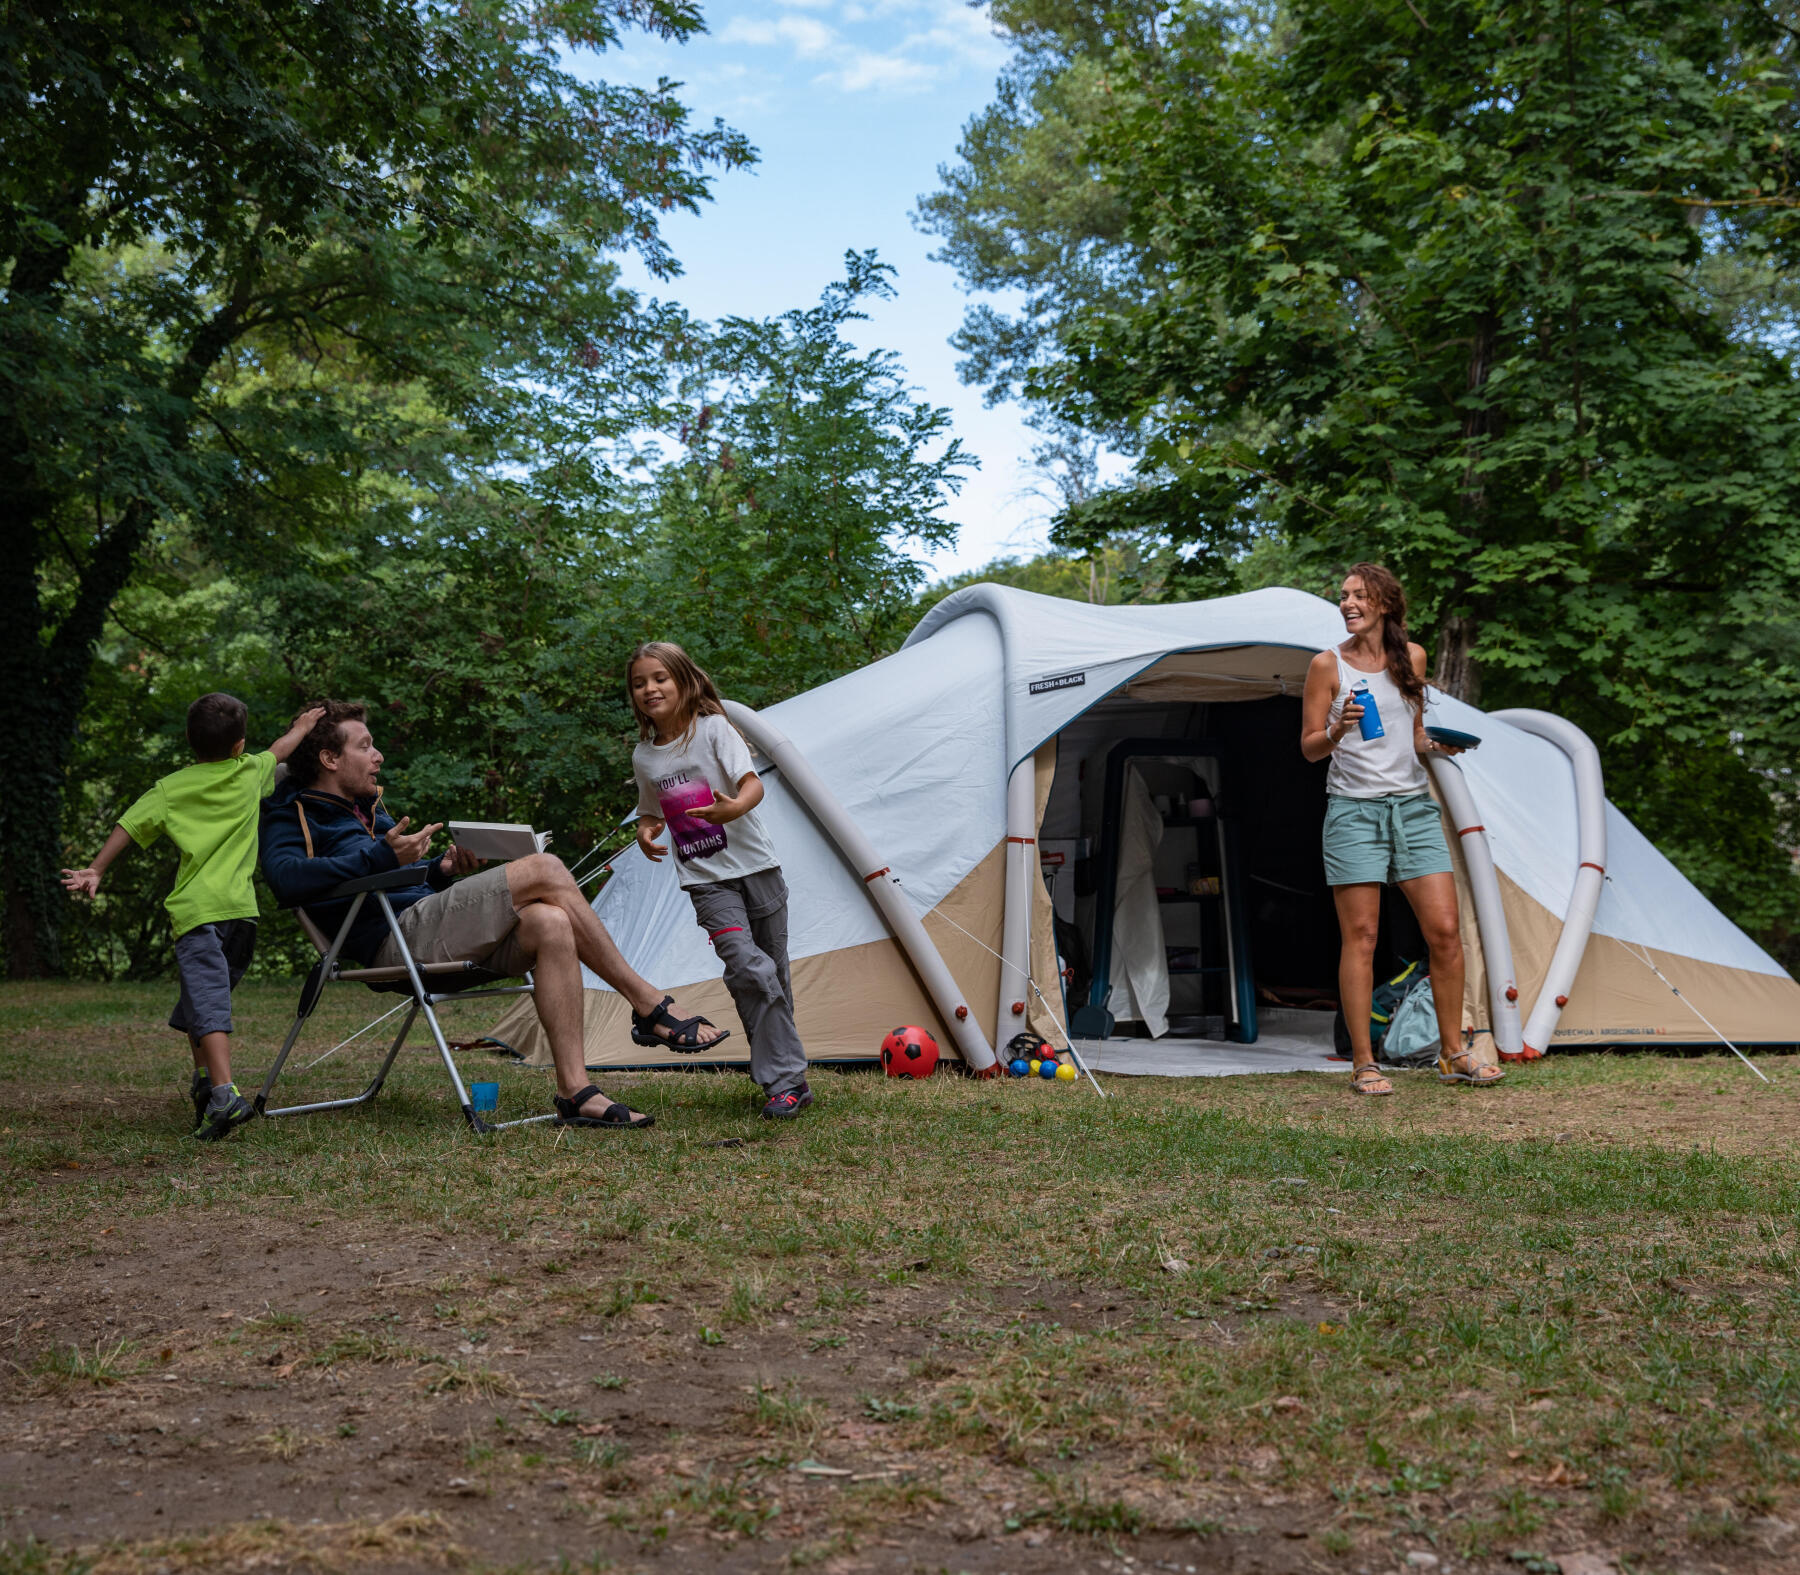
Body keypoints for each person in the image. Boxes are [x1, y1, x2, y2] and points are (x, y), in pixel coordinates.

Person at [259, 701, 730, 1130]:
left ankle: (576, 1092)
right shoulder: (290, 810)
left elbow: (394, 875)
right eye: (365, 746)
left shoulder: (367, 809)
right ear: (329, 759)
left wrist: (438, 870)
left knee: (551, 922)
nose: (378, 755)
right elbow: (286, 881)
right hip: (391, 943)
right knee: (545, 868)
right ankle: (647, 1004)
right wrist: (379, 859)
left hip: (423, 926)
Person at [61, 695, 326, 1139]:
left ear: (190, 741)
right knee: (196, 1003)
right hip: (242, 916)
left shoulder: (172, 787)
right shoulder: (249, 772)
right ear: (240, 745)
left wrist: (97, 868)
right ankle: (205, 1082)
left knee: (206, 1004)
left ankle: (225, 1096)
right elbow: (283, 747)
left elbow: (129, 824)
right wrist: (303, 725)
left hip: (198, 913)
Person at [1300, 563, 1505, 1095]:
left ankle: (1453, 1052)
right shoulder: (1326, 666)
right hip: (1353, 811)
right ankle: (1364, 1063)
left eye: (1359, 596)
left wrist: (1436, 745)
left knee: (1445, 933)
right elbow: (1308, 748)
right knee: (1362, 938)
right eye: (1343, 596)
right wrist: (1337, 728)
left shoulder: (1409, 658)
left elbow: (1411, 737)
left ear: (1385, 604)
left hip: (1412, 809)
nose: (1347, 604)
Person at [628, 642, 812, 1120]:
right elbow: (650, 811)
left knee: (773, 975)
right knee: (751, 969)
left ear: (684, 681)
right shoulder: (644, 757)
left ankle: (787, 1082)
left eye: (659, 678)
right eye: (639, 682)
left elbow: (752, 783)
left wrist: (733, 807)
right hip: (706, 881)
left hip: (757, 868)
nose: (649, 688)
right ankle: (783, 1078)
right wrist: (646, 832)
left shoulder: (713, 730)